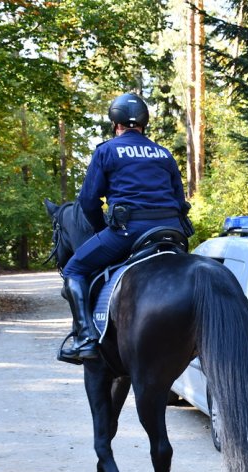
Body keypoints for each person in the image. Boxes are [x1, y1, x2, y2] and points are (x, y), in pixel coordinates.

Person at [58, 92, 189, 363]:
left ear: (115, 123)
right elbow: (180, 201)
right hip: (171, 233)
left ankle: (85, 338)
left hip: (129, 231)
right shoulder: (163, 154)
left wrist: (100, 229)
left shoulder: (106, 150)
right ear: (144, 123)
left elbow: (88, 201)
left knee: (74, 269)